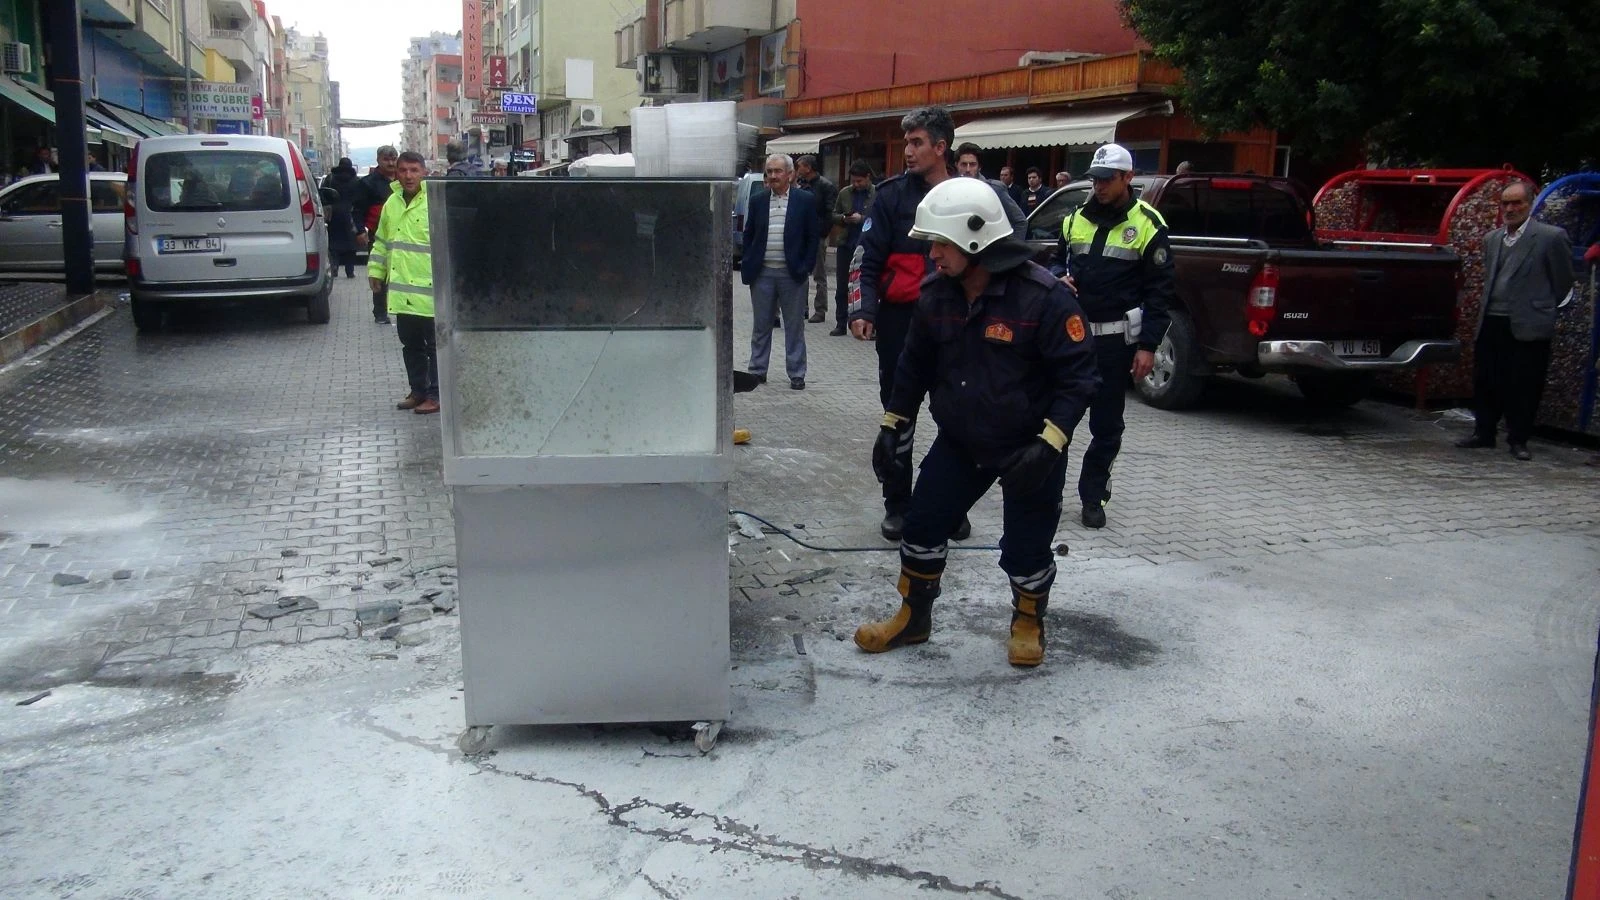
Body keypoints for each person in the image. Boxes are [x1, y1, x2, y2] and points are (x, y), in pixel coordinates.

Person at [853, 177, 1099, 667]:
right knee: (920, 528)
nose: (933, 255)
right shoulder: (936, 295)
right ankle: (914, 619)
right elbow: (913, 366)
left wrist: (1050, 445)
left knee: (1027, 548)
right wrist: (893, 424)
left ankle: (1028, 621)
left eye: (941, 244)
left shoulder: (1045, 299)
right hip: (962, 442)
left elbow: (1079, 379)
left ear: (975, 240)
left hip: (1030, 446)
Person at [848, 106, 1022, 542]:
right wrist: (862, 310)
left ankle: (951, 502)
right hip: (899, 322)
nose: (908, 151)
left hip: (961, 322)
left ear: (941, 147)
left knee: (960, 415)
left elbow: (1015, 245)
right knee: (899, 413)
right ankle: (898, 504)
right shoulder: (889, 197)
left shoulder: (980, 195)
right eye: (906, 142)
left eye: (916, 143)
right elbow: (863, 260)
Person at [1048, 143, 1175, 529]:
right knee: (1057, 421)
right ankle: (1047, 496)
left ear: (1127, 178)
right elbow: (1056, 259)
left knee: (1106, 427)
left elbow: (1160, 293)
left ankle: (1093, 497)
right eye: (1095, 179)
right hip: (1072, 340)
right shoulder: (1074, 219)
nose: (1099, 186)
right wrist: (1058, 277)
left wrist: (1148, 346)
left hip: (1114, 344)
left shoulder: (1149, 225)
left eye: (1107, 179)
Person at [1454, 181, 1576, 461]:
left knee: (1524, 383)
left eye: (1516, 203)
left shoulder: (1550, 237)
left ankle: (1518, 439)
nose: (1510, 209)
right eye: (1505, 203)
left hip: (1528, 322)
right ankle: (1483, 433)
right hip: (1493, 319)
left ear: (1530, 204)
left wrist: (1542, 305)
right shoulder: (1492, 239)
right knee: (1486, 379)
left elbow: (1564, 279)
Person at [740, 153, 819, 391]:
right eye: (769, 171)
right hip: (763, 274)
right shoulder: (758, 200)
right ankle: (757, 370)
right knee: (761, 325)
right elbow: (749, 234)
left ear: (790, 174)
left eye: (777, 171)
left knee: (794, 326)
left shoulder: (805, 200)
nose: (773, 176)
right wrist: (749, 261)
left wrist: (805, 267)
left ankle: (796, 373)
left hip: (792, 274)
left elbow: (812, 237)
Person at [369, 151, 440, 415]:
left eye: (414, 170)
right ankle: (418, 390)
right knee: (410, 345)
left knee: (434, 346)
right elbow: (382, 241)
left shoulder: (433, 201)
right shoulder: (392, 203)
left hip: (431, 290)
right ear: (396, 173)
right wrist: (375, 271)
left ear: (424, 172)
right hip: (403, 292)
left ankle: (436, 394)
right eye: (403, 171)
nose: (408, 176)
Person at [351, 146, 399, 324]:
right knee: (380, 272)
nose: (391, 163)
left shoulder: (403, 180)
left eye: (394, 158)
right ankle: (380, 312)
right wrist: (360, 230)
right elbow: (357, 210)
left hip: (402, 234)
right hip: (378, 236)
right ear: (378, 160)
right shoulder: (368, 183)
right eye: (387, 159)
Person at [830, 160, 876, 336]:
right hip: (846, 244)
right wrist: (843, 218)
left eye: (860, 181)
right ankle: (841, 323)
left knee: (867, 284)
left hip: (867, 246)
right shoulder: (845, 193)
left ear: (868, 178)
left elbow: (880, 218)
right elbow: (833, 215)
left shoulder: (877, 193)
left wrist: (862, 219)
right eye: (854, 181)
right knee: (842, 286)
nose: (856, 185)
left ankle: (870, 325)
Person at [794, 154, 839, 324]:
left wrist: (821, 233)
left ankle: (820, 310)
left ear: (808, 167)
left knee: (819, 274)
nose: (798, 170)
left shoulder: (825, 186)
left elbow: (829, 212)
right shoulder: (802, 185)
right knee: (802, 273)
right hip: (803, 234)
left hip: (818, 235)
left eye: (800, 166)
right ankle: (803, 308)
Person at [954, 142, 1028, 237]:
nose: (968, 169)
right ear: (957, 165)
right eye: (964, 164)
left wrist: (1012, 250)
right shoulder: (949, 189)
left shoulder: (994, 189)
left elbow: (1020, 222)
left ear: (979, 167)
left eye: (972, 164)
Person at [321, 158, 360, 278]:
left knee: (333, 244)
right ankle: (350, 271)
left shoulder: (330, 178)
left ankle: (334, 268)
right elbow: (360, 198)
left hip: (333, 215)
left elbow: (323, 195)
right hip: (350, 214)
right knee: (351, 245)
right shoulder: (356, 180)